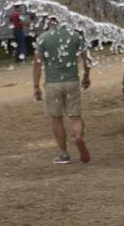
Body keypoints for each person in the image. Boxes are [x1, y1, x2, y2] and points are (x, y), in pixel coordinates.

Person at [32, 17, 91, 165]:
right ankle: (78, 137)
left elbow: (37, 64)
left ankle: (64, 154)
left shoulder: (43, 38)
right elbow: (86, 60)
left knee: (56, 118)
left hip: (52, 84)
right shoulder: (75, 35)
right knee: (75, 116)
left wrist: (36, 86)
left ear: (48, 21)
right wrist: (86, 76)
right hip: (72, 81)